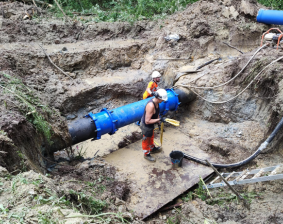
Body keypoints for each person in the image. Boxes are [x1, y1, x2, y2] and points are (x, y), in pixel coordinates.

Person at [140, 89, 167, 162]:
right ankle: (146, 154)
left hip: (151, 124)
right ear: (158, 98)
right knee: (146, 140)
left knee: (151, 136)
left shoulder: (157, 103)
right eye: (162, 99)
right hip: (146, 126)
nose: (163, 101)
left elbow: (157, 113)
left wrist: (158, 122)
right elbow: (147, 121)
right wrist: (159, 120)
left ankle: (152, 148)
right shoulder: (151, 105)